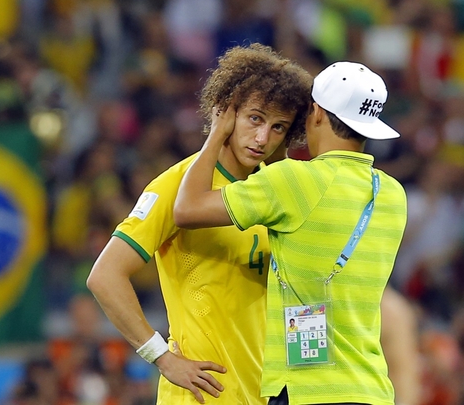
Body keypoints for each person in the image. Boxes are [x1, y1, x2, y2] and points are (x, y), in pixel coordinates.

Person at [87, 43, 313, 404]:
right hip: (200, 396)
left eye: (278, 127)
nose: (262, 139)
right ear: (225, 111)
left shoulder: (276, 193)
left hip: (264, 394)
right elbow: (104, 276)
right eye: (255, 118)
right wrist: (160, 356)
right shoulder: (176, 187)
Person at [174, 61, 408, 404]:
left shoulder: (293, 181)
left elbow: (187, 209)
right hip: (371, 389)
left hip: (305, 392)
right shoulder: (392, 194)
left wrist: (217, 134)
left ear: (315, 113)